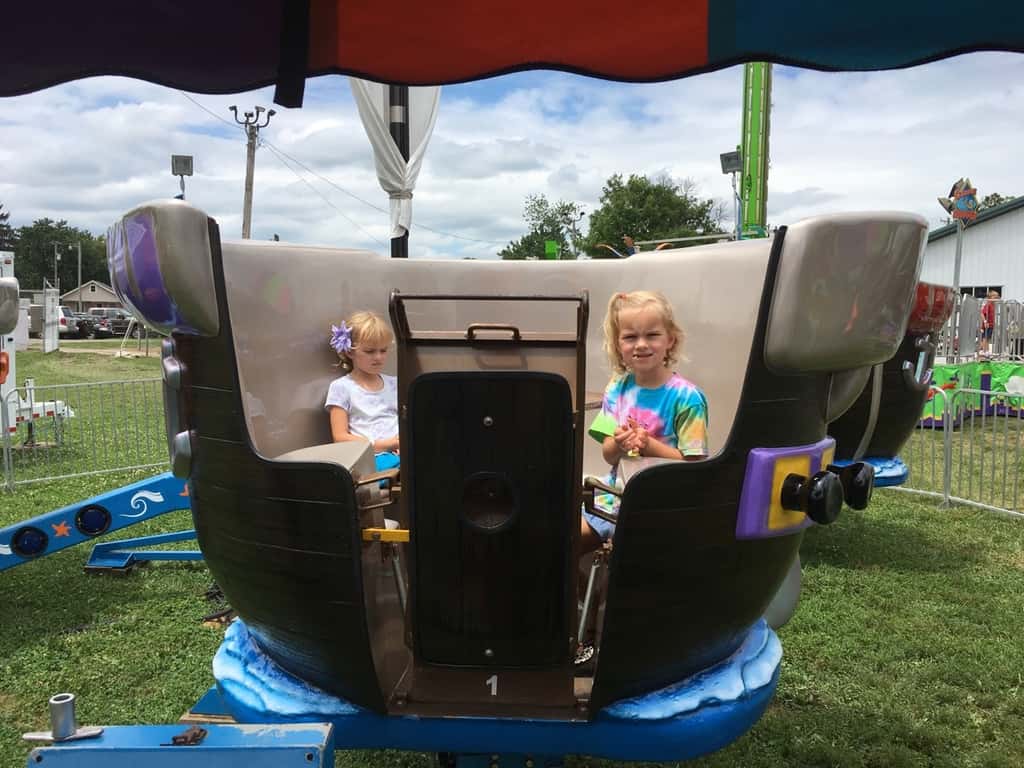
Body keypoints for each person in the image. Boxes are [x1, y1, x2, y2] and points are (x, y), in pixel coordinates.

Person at [581, 290, 709, 550]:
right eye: (630, 337)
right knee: (564, 540)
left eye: (652, 335)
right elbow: (608, 454)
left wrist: (650, 447)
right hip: (614, 499)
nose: (641, 344)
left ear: (670, 340)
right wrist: (618, 443)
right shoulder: (617, 388)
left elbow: (696, 468)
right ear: (619, 345)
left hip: (662, 506)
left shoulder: (687, 398)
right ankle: (584, 590)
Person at [324, 310, 400, 472]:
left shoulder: (395, 384)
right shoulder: (342, 388)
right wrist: (388, 444)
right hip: (371, 458)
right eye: (370, 351)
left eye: (383, 350)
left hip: (402, 453)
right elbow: (340, 437)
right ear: (350, 351)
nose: (378, 357)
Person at [980, 289, 999, 356]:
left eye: (997, 297)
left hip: (991, 325)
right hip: (987, 325)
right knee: (985, 338)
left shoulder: (993, 305)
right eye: (995, 297)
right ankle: (983, 351)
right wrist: (985, 322)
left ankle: (987, 351)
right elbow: (982, 313)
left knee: (988, 339)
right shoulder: (988, 304)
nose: (996, 298)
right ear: (990, 297)